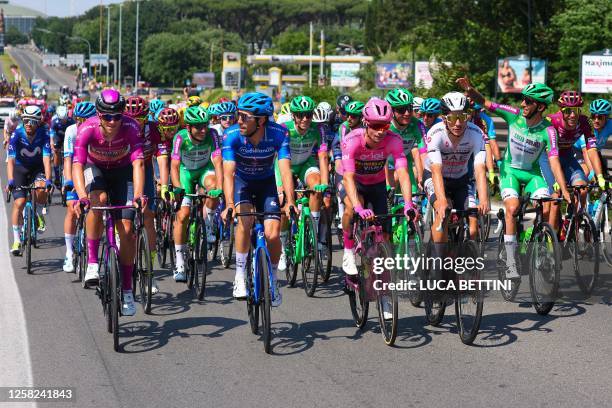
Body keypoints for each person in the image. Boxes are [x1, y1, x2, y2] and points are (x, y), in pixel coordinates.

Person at [457, 78, 571, 278]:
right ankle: (510, 261)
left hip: (534, 175)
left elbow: (554, 161)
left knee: (547, 206)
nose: (523, 104)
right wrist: (469, 89)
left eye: (528, 101)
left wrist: (564, 189)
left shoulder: (549, 130)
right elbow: (486, 103)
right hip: (510, 172)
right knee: (512, 208)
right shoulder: (513, 115)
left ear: (541, 106)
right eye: (523, 100)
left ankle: (537, 244)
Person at [72, 89, 146, 316]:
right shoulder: (87, 129)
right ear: (98, 114)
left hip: (122, 172)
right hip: (96, 170)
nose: (113, 121)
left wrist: (139, 196)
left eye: (117, 116)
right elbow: (77, 164)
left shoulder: (132, 128)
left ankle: (126, 290)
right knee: (98, 200)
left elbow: (139, 165)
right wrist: (81, 196)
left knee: (126, 230)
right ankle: (93, 262)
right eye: (107, 116)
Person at [341, 98, 415, 318]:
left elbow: (402, 172)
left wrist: (409, 203)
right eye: (374, 126)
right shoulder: (351, 140)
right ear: (365, 123)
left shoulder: (394, 139)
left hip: (377, 186)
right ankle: (347, 251)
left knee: (386, 244)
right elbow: (347, 177)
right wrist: (357, 207)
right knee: (351, 209)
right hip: (355, 185)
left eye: (384, 125)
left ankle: (384, 297)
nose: (380, 131)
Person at [221, 92, 296, 306]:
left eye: (245, 117)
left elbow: (285, 169)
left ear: (261, 120)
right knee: (244, 222)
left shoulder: (280, 133)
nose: (239, 120)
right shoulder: (231, 135)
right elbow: (228, 173)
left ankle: (272, 277)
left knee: (273, 235)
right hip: (241, 184)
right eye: (239, 115)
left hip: (266, 184)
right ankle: (239, 275)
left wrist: (290, 201)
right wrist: (228, 204)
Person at [276, 95, 329, 272]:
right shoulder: (284, 129)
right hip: (286, 166)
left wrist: (325, 183)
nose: (305, 119)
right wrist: (280, 186)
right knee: (283, 205)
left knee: (316, 187)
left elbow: (322, 156)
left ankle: (313, 230)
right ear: (293, 116)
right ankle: (283, 247)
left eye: (308, 114)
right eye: (300, 115)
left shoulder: (318, 129)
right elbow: (277, 160)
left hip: (307, 164)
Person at [170, 106, 223, 282]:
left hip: (204, 170)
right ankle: (179, 262)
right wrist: (177, 188)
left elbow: (217, 161)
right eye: (198, 127)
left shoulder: (212, 134)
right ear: (188, 127)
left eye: (205, 125)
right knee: (183, 215)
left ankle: (207, 223)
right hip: (185, 173)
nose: (203, 130)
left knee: (213, 186)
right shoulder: (180, 137)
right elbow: (175, 166)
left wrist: (220, 187)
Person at [124, 96, 171, 294]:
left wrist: (164, 183)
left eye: (141, 117)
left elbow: (161, 156)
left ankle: (149, 270)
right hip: (124, 172)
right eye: (132, 117)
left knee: (149, 216)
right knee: (125, 220)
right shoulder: (122, 126)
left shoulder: (153, 129)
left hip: (147, 171)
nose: (137, 121)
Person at [541, 91, 603, 231]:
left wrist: (599, 176)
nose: (573, 115)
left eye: (576, 110)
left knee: (582, 189)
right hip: (549, 159)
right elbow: (551, 155)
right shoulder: (552, 122)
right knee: (555, 198)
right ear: (561, 111)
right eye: (568, 111)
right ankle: (549, 237)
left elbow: (592, 150)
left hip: (568, 158)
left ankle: (570, 225)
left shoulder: (585, 122)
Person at [7, 105, 53, 255]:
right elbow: (11, 161)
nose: (28, 124)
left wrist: (49, 180)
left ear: (38, 122)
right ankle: (16, 241)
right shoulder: (17, 134)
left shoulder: (44, 134)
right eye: (26, 120)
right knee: (19, 203)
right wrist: (10, 180)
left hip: (37, 168)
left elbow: (46, 159)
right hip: (20, 168)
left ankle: (39, 213)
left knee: (40, 189)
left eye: (32, 121)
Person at [61, 101, 97, 272]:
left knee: (94, 203)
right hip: (73, 167)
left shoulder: (96, 128)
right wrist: (69, 182)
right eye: (77, 119)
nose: (79, 123)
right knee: (71, 208)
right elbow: (68, 158)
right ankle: (69, 252)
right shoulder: (71, 130)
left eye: (83, 120)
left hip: (90, 168)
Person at [385, 88, 426, 193]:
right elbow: (380, 156)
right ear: (391, 111)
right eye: (401, 109)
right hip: (383, 161)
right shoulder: (385, 124)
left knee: (413, 194)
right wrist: (388, 186)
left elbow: (423, 153)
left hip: (404, 157)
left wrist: (424, 178)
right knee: (387, 192)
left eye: (410, 108)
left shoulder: (417, 124)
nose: (407, 113)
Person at [50, 105, 76, 186]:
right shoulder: (54, 122)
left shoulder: (71, 121)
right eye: (61, 120)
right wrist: (52, 143)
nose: (63, 121)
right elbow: (52, 134)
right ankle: (57, 175)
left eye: (64, 119)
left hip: (68, 137)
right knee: (55, 149)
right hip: (58, 136)